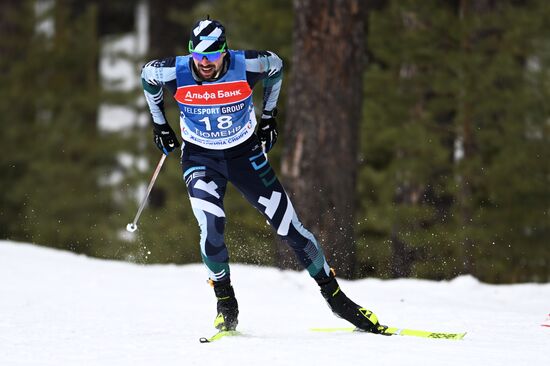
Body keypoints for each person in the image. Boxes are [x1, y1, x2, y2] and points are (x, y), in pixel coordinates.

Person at [141, 18, 384, 334]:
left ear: (224, 52)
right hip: (201, 158)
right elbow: (147, 77)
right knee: (212, 226)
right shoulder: (174, 70)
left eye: (212, 55)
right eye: (197, 55)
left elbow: (276, 67)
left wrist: (269, 118)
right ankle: (225, 301)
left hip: (246, 157)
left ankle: (337, 299)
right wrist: (159, 124)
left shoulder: (248, 64)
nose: (204, 63)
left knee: (290, 229)